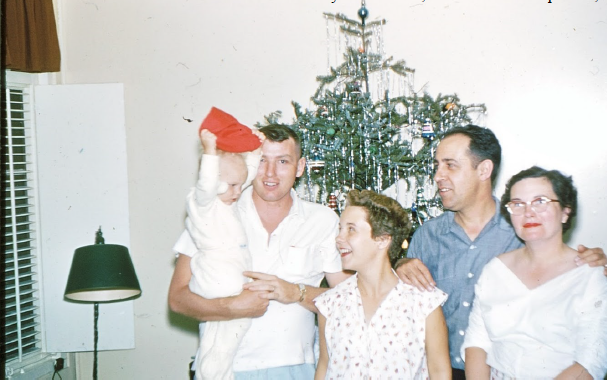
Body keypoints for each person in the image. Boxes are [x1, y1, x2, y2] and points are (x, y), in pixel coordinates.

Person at [395, 125, 607, 380]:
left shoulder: (524, 231)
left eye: (450, 165)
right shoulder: (426, 237)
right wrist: (399, 264)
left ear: (484, 170)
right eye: (437, 165)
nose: (438, 175)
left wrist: (590, 264)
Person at [168, 123, 351, 379]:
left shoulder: (323, 220)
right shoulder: (216, 210)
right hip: (224, 370)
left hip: (295, 368)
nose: (270, 173)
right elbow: (177, 299)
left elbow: (349, 300)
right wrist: (231, 307)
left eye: (283, 161)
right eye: (263, 159)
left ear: (300, 167)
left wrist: (296, 292)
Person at [462, 166, 607, 379]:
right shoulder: (495, 269)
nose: (529, 212)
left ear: (565, 211)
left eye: (540, 202)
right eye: (518, 204)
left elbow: (590, 363)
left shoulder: (589, 276)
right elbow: (476, 344)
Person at [314, 190, 451, 380]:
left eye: (351, 229)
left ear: (382, 239)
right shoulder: (329, 305)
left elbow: (440, 372)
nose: (339, 238)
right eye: (340, 229)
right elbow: (324, 367)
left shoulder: (424, 304)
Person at [185, 121, 263, 379]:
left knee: (222, 340)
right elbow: (208, 183)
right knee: (223, 340)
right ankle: (212, 375)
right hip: (218, 279)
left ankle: (217, 373)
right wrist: (209, 151)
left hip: (229, 279)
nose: (238, 192)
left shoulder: (226, 200)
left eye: (239, 186)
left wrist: (255, 151)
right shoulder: (204, 203)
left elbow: (245, 175)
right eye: (231, 186)